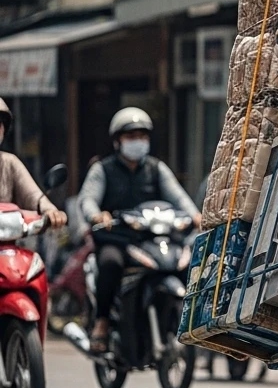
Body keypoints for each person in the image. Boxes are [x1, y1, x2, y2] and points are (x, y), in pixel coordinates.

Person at [77, 108, 200, 354]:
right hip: (118, 240)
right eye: (131, 136)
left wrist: (196, 215)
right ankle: (102, 322)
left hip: (152, 239)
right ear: (117, 141)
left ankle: (196, 321)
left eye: (142, 136)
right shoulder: (103, 169)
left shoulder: (156, 168)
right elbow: (87, 200)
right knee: (110, 264)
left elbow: (179, 198)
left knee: (187, 262)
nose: (138, 141)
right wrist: (97, 215)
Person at [0, 98, 66, 228]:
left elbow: (33, 195)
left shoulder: (9, 162)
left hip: (5, 241)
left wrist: (49, 210)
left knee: (32, 250)